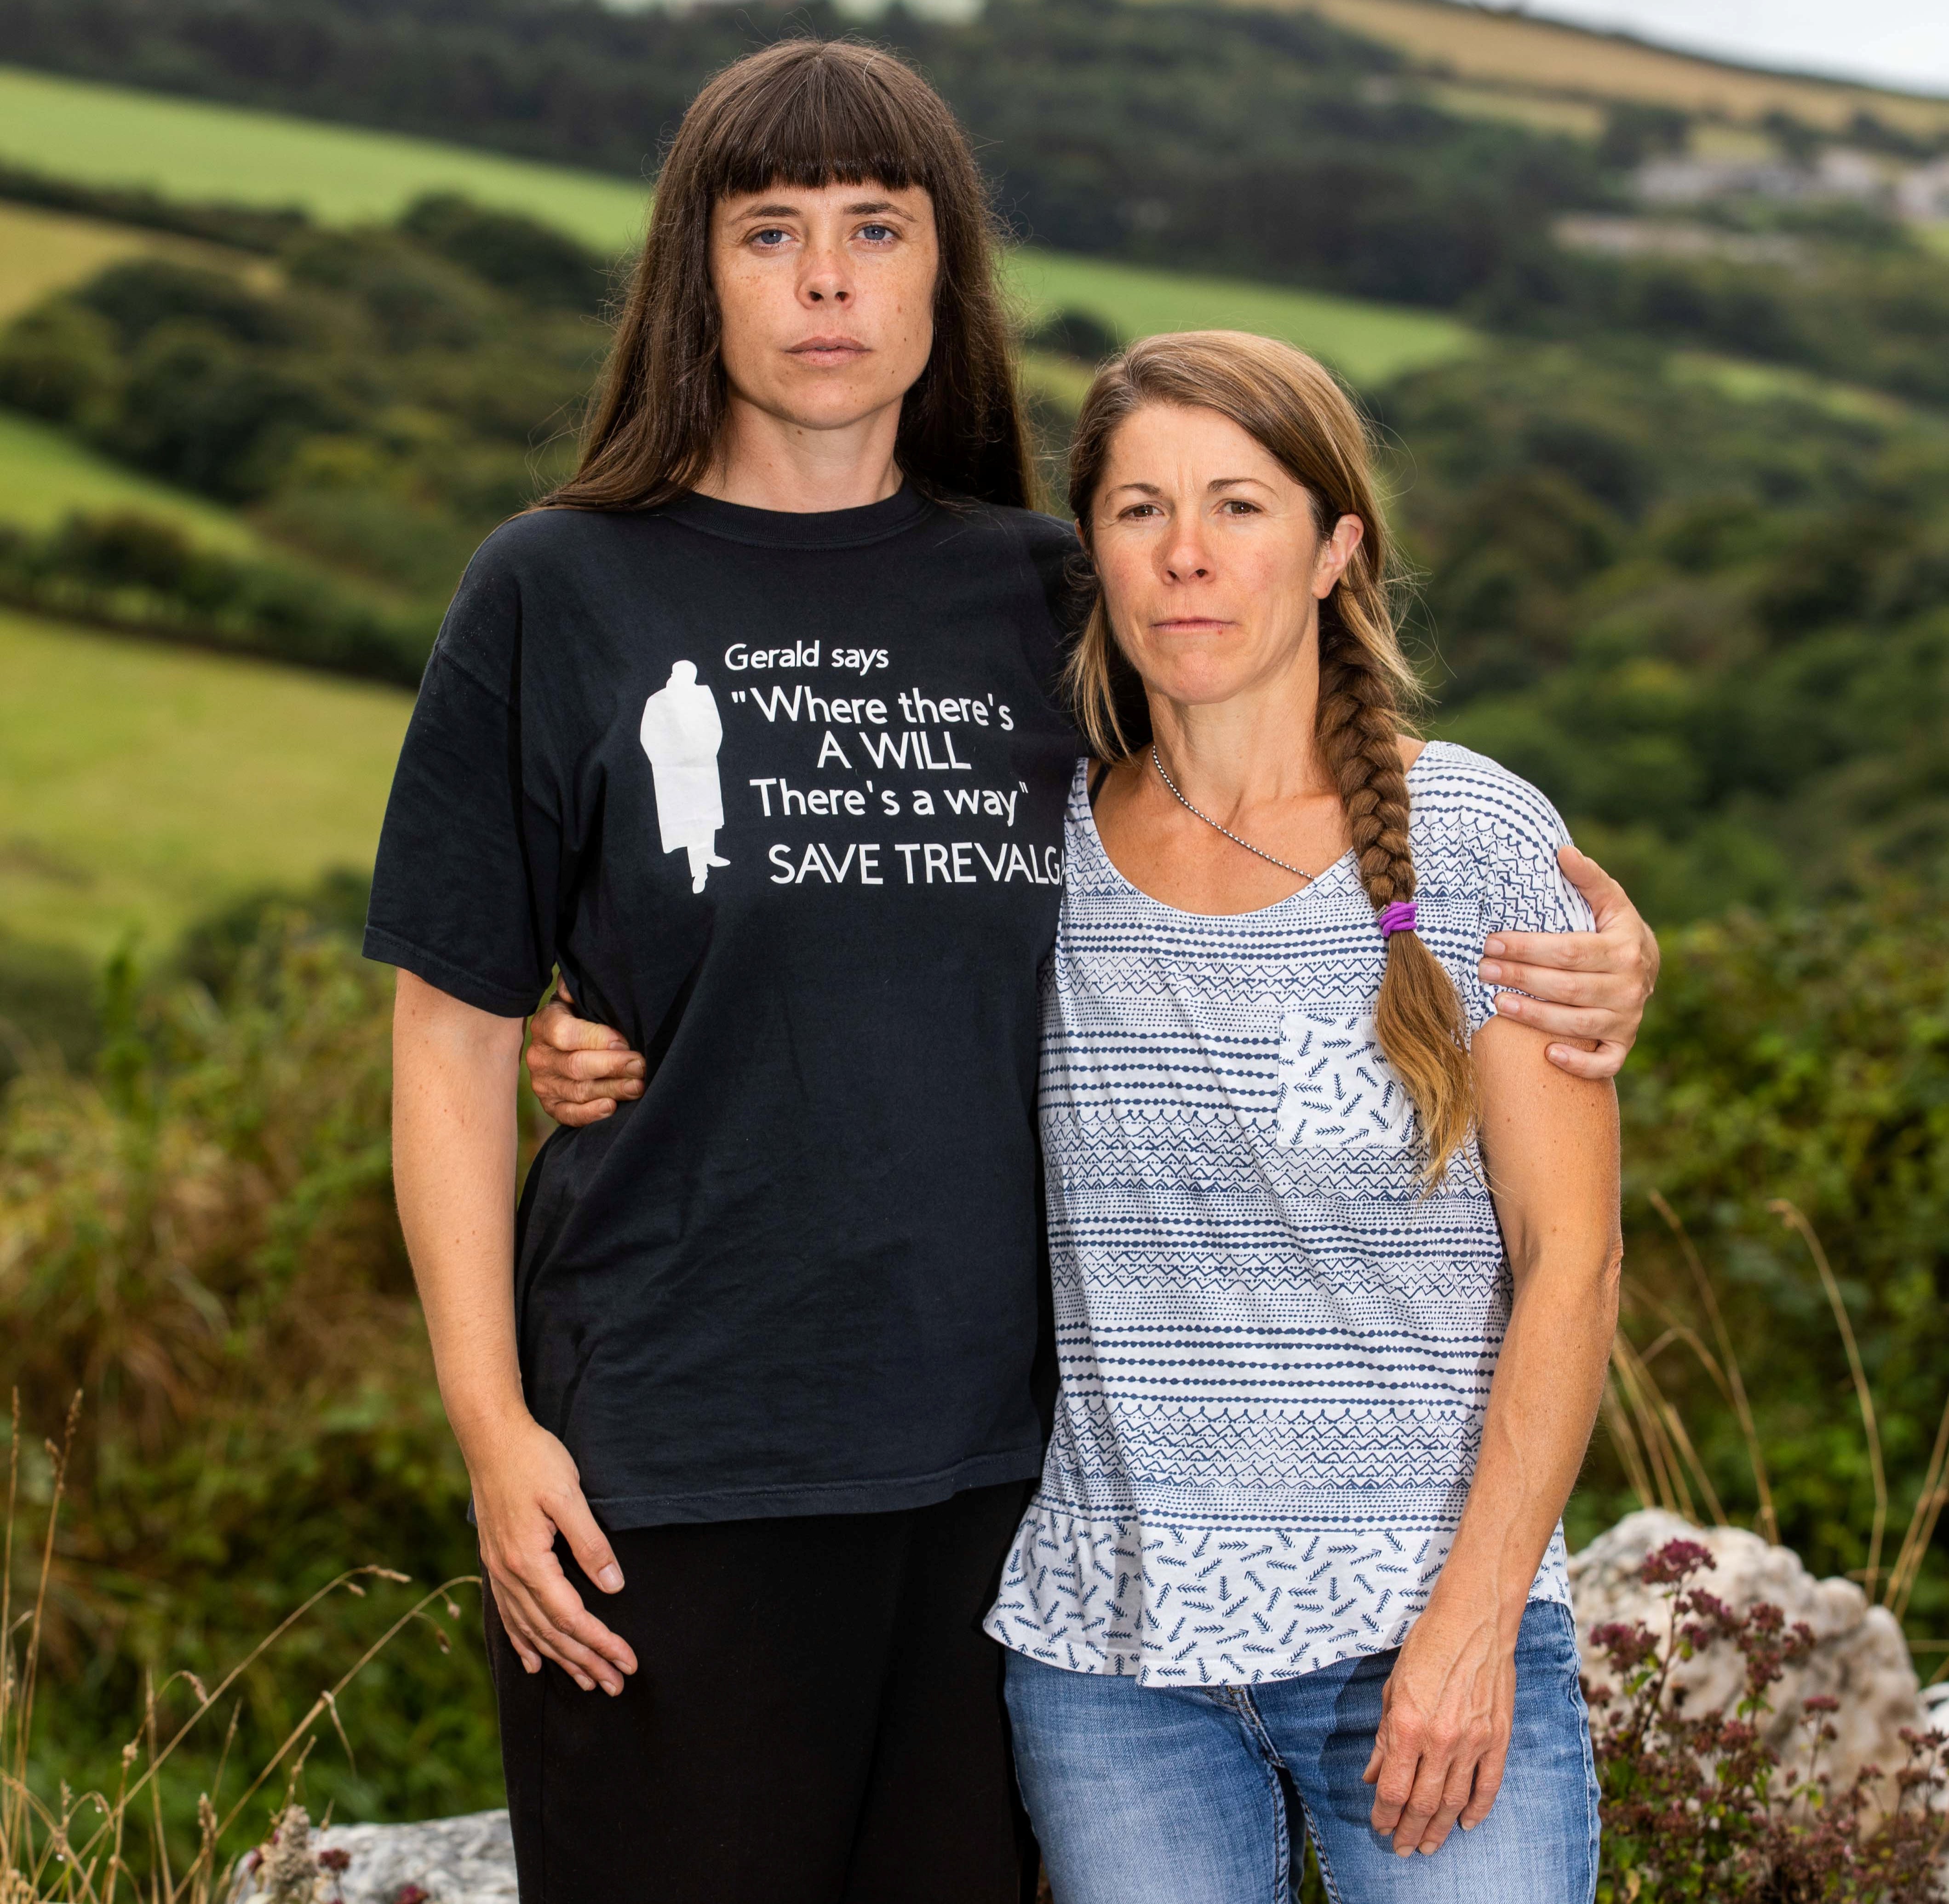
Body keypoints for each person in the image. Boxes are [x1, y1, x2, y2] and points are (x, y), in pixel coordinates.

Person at [374, 36, 1654, 1904]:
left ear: (940, 275)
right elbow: (448, 1036)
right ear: (692, 277)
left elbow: (1313, 815)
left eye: (875, 228)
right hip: (669, 1460)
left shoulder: (1052, 595)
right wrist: (493, 1431)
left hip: (1015, 1497)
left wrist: (1612, 957)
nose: (825, 279)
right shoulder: (555, 591)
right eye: (770, 232)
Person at [983, 331, 1618, 1903]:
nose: (1187, 557)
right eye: (1138, 511)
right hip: (1109, 1662)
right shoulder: (1026, 846)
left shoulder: (1469, 836)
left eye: (1240, 507)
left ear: (1338, 549)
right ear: (1096, 553)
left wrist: (1470, 1630)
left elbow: (1573, 1262)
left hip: (1429, 1632)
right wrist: (595, 1038)